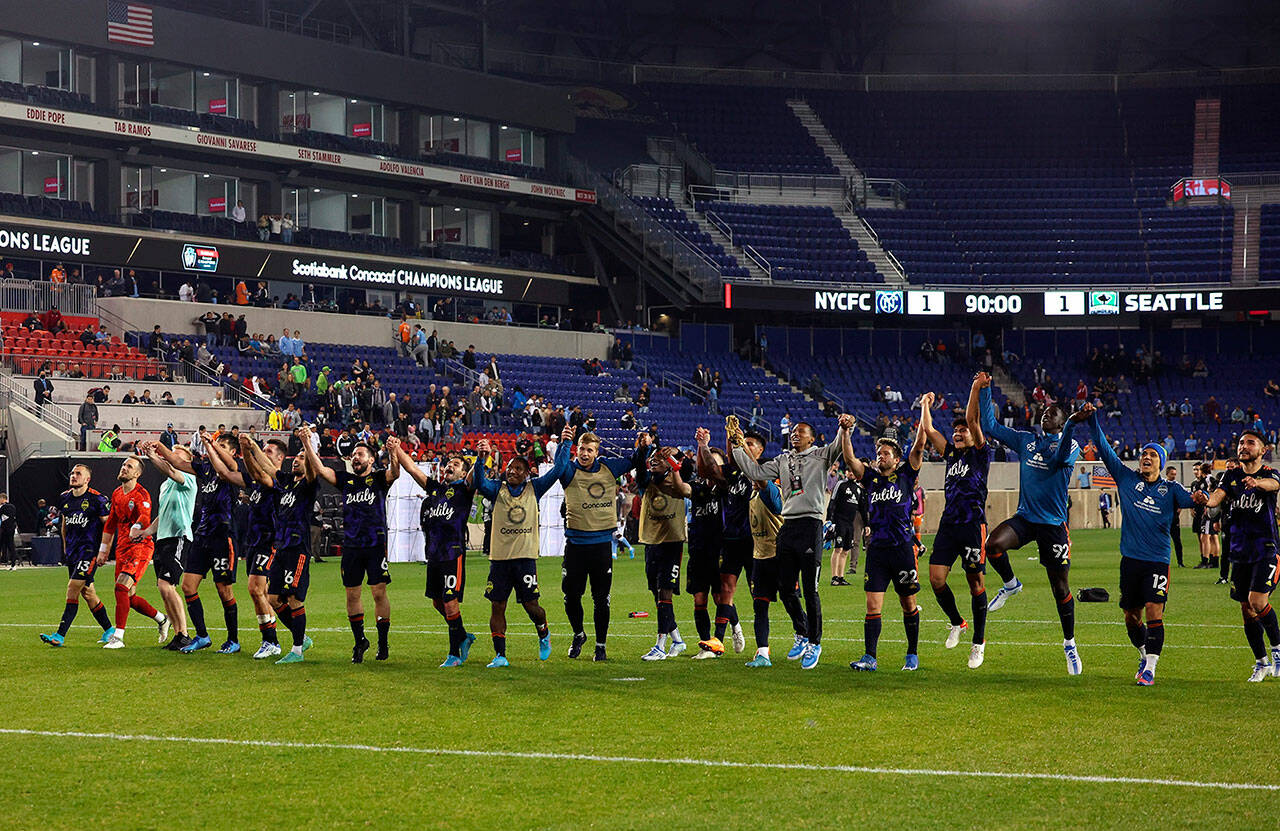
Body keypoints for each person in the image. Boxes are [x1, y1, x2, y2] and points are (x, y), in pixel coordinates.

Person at [1078, 404, 1203, 685]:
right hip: (1130, 561)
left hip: (1157, 560)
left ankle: (1151, 669)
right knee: (1131, 617)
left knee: (1153, 610)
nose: (1146, 458)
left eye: (1152, 455)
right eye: (1143, 454)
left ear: (1161, 462)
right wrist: (1094, 417)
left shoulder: (1171, 489)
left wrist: (1202, 498)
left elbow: (1193, 499)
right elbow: (1102, 446)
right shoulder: (1126, 478)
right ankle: (1144, 653)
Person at [977, 372, 1085, 675]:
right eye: (1044, 412)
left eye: (1052, 414)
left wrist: (1073, 424)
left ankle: (1070, 644)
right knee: (993, 545)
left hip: (1052, 525)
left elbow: (1060, 458)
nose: (1045, 414)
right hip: (1025, 518)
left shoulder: (1069, 445)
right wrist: (985, 391)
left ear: (1061, 423)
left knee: (1059, 587)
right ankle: (1011, 585)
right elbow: (991, 427)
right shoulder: (1026, 441)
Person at [730, 414, 853, 669]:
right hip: (788, 527)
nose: (796, 434)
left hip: (810, 525)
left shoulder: (822, 455)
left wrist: (844, 427)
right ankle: (802, 633)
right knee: (786, 588)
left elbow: (839, 445)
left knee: (810, 589)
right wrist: (735, 446)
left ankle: (814, 643)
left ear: (812, 438)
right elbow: (753, 471)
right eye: (794, 431)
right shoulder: (782, 460)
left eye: (802, 431)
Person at [470, 433, 570, 666]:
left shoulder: (535, 488)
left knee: (531, 606)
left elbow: (560, 468)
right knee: (497, 606)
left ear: (527, 473)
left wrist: (566, 443)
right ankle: (500, 655)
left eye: (518, 468)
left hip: (525, 559)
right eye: (509, 467)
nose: (512, 471)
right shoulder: (497, 489)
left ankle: (543, 631)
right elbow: (479, 482)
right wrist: (480, 458)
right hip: (500, 559)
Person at [555, 429, 650, 661]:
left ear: (597, 452)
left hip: (600, 547)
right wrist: (565, 442)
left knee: (601, 599)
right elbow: (558, 467)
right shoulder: (568, 470)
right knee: (571, 596)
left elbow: (635, 460)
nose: (584, 454)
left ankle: (600, 646)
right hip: (575, 546)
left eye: (589, 450)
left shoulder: (609, 467)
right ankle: (578, 634)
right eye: (581, 449)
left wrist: (643, 446)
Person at [847, 402, 926, 672]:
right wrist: (846, 433)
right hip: (877, 550)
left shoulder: (906, 474)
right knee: (872, 605)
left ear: (897, 458)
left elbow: (919, 447)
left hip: (902, 549)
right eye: (879, 453)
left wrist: (924, 408)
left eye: (886, 453)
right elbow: (850, 461)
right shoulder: (870, 479)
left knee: (908, 602)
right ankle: (870, 657)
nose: (881, 456)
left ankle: (912, 653)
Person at [919, 377, 992, 669]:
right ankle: (957, 622)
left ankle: (978, 642)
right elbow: (928, 429)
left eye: (963, 430)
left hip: (973, 525)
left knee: (976, 583)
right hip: (949, 524)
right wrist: (925, 405)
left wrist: (974, 388)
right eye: (957, 430)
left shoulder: (980, 454)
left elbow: (974, 419)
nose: (959, 433)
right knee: (936, 579)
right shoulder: (950, 454)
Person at [309, 437, 400, 662]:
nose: (355, 457)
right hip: (351, 546)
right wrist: (306, 444)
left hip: (375, 544)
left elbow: (395, 473)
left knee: (379, 592)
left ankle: (383, 641)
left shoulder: (379, 478)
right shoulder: (345, 480)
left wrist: (393, 452)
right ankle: (360, 641)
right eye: (354, 455)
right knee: (352, 594)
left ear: (371, 459)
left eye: (360, 454)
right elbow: (320, 469)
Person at [393, 441, 482, 667]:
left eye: (454, 464)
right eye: (447, 464)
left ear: (463, 472)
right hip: (433, 555)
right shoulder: (434, 488)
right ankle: (462, 635)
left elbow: (475, 474)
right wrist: (396, 449)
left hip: (453, 554)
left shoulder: (465, 489)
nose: (448, 467)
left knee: (451, 602)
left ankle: (454, 654)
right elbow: (412, 469)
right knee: (437, 602)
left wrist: (481, 456)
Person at [152, 433, 242, 654]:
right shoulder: (206, 471)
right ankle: (202, 636)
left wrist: (211, 445)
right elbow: (177, 463)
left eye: (222, 446)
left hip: (223, 535)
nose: (215, 448)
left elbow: (227, 466)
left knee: (224, 591)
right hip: (203, 536)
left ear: (232, 452)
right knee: (187, 586)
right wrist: (159, 447)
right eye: (215, 444)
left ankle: (233, 640)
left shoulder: (232, 470)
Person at [1205, 429, 1280, 682]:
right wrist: (1208, 501)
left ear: (1263, 450)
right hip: (1239, 552)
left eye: (1250, 443)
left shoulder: (1268, 474)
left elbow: (1275, 484)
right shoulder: (1232, 475)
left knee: (1257, 601)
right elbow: (1218, 496)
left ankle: (1278, 650)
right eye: (1240, 442)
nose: (1243, 446)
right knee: (1247, 609)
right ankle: (1261, 663)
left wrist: (1257, 483)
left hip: (1266, 549)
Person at [244, 430, 319, 664]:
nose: (297, 460)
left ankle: (297, 650)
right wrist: (252, 448)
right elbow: (267, 468)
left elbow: (314, 468)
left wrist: (307, 443)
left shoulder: (309, 485)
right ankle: (301, 636)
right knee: (275, 599)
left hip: (298, 549)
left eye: (302, 458)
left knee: (294, 598)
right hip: (281, 547)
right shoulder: (286, 483)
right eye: (295, 457)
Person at [694, 422, 756, 657]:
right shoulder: (717, 480)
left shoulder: (749, 474)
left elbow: (723, 468)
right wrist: (704, 446)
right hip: (716, 543)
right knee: (722, 591)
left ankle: (743, 631)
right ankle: (718, 640)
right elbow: (706, 470)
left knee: (753, 593)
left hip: (745, 540)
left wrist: (736, 441)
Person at [39, 467, 117, 646]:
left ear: (88, 479)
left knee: (72, 588)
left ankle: (59, 635)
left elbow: (109, 526)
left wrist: (104, 550)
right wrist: (66, 549)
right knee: (88, 593)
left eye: (78, 474)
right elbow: (65, 524)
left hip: (89, 552)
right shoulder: (65, 497)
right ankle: (109, 630)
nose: (74, 476)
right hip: (73, 553)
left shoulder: (97, 499)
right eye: (72, 473)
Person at [99, 457, 168, 650]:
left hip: (140, 547)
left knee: (121, 588)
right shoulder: (117, 494)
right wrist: (103, 551)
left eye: (129, 466)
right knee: (128, 597)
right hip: (122, 549)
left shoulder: (141, 494)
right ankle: (162, 619)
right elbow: (111, 523)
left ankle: (118, 637)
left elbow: (145, 517)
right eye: (124, 465)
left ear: (137, 474)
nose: (124, 468)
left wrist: (136, 527)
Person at [134, 441, 196, 651]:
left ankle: (185, 633)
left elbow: (171, 470)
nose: (172, 458)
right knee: (164, 589)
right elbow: (163, 515)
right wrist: (146, 532)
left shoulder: (188, 478)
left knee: (166, 586)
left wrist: (152, 455)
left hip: (178, 537)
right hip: (163, 539)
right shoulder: (165, 485)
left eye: (176, 456)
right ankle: (179, 634)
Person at [230, 435, 287, 659]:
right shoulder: (257, 481)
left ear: (281, 458)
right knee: (261, 592)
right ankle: (290, 634)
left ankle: (270, 641)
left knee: (255, 589)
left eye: (269, 451)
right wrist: (246, 449)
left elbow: (259, 473)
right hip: (253, 541)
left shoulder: (280, 479)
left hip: (269, 540)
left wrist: (250, 447)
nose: (265, 453)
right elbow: (253, 472)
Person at [635, 444, 689, 661]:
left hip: (672, 542)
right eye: (652, 458)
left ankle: (660, 646)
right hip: (651, 542)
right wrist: (642, 449)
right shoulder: (645, 482)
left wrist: (675, 453)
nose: (654, 460)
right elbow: (639, 468)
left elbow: (688, 466)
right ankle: (677, 639)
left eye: (660, 457)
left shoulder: (679, 479)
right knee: (657, 595)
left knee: (665, 593)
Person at [827, 469, 866, 585]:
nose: (851, 473)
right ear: (846, 472)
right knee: (838, 548)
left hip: (850, 523)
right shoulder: (841, 484)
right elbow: (832, 501)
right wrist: (829, 519)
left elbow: (863, 509)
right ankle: (834, 577)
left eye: (854, 472)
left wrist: (867, 524)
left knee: (846, 550)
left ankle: (841, 577)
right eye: (849, 471)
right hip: (839, 521)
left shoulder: (858, 489)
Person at [1190, 462, 1220, 570]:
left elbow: (1213, 494)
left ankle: (1206, 561)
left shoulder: (1208, 480)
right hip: (1211, 511)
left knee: (1205, 536)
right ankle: (1214, 561)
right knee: (1212, 536)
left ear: (1202, 471)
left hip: (1209, 511)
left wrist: (1208, 507)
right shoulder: (1207, 480)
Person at [1165, 466, 1185, 567]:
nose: (1174, 476)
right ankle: (1162, 561)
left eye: (1175, 474)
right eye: (1172, 474)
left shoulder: (1178, 486)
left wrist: (1179, 509)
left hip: (1174, 518)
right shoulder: (1162, 485)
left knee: (1177, 541)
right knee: (1162, 541)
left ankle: (1180, 562)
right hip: (1163, 519)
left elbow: (1182, 499)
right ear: (1167, 474)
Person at [0, 492, 15, 569]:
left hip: (4, 529)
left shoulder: (2, 507)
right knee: (11, 546)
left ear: (3, 499)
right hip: (11, 529)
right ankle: (13, 564)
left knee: (3, 545)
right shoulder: (13, 507)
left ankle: (4, 559)